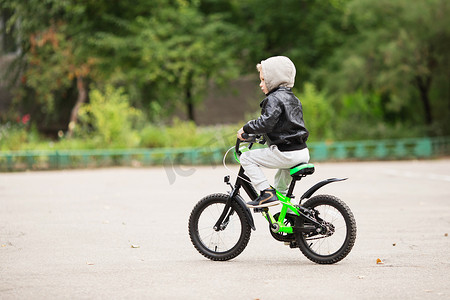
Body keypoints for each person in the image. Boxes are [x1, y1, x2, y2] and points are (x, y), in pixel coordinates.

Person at [237, 56, 310, 208]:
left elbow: (266, 123)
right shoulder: (293, 99)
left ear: (274, 79)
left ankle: (265, 193)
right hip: (301, 152)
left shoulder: (274, 99)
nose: (260, 84)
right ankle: (292, 217)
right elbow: (283, 125)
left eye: (263, 80)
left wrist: (247, 128)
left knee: (246, 158)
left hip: (286, 153)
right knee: (281, 190)